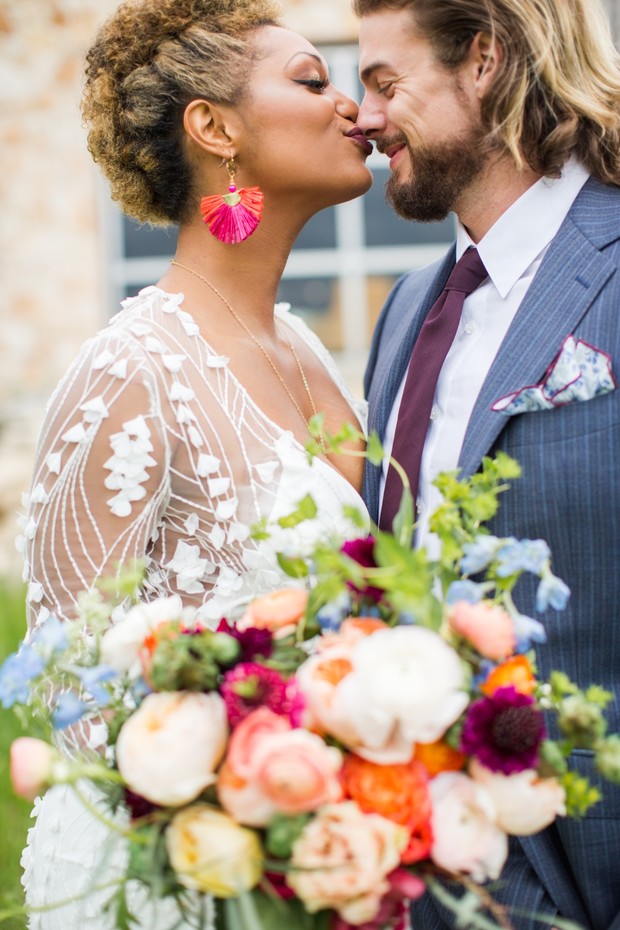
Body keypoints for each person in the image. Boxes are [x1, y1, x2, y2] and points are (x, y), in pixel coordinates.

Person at [19, 0, 374, 926]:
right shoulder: (130, 369)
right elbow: (67, 682)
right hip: (184, 879)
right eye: (311, 80)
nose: (354, 108)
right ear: (213, 127)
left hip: (328, 857)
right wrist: (222, 833)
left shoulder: (308, 350)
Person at [355, 0, 620, 928]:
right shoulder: (408, 307)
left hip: (593, 861)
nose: (367, 117)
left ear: (485, 61)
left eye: (387, 84)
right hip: (425, 876)